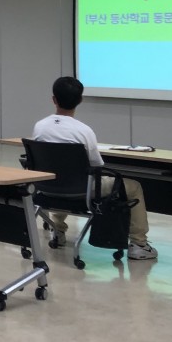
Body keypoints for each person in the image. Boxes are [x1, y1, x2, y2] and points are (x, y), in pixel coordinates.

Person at [32, 76, 157, 261]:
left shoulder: (40, 127)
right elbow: (97, 165)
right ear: (80, 100)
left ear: (53, 99)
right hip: (81, 190)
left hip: (47, 188)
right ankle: (139, 245)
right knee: (133, 186)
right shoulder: (83, 131)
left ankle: (58, 231)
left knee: (61, 176)